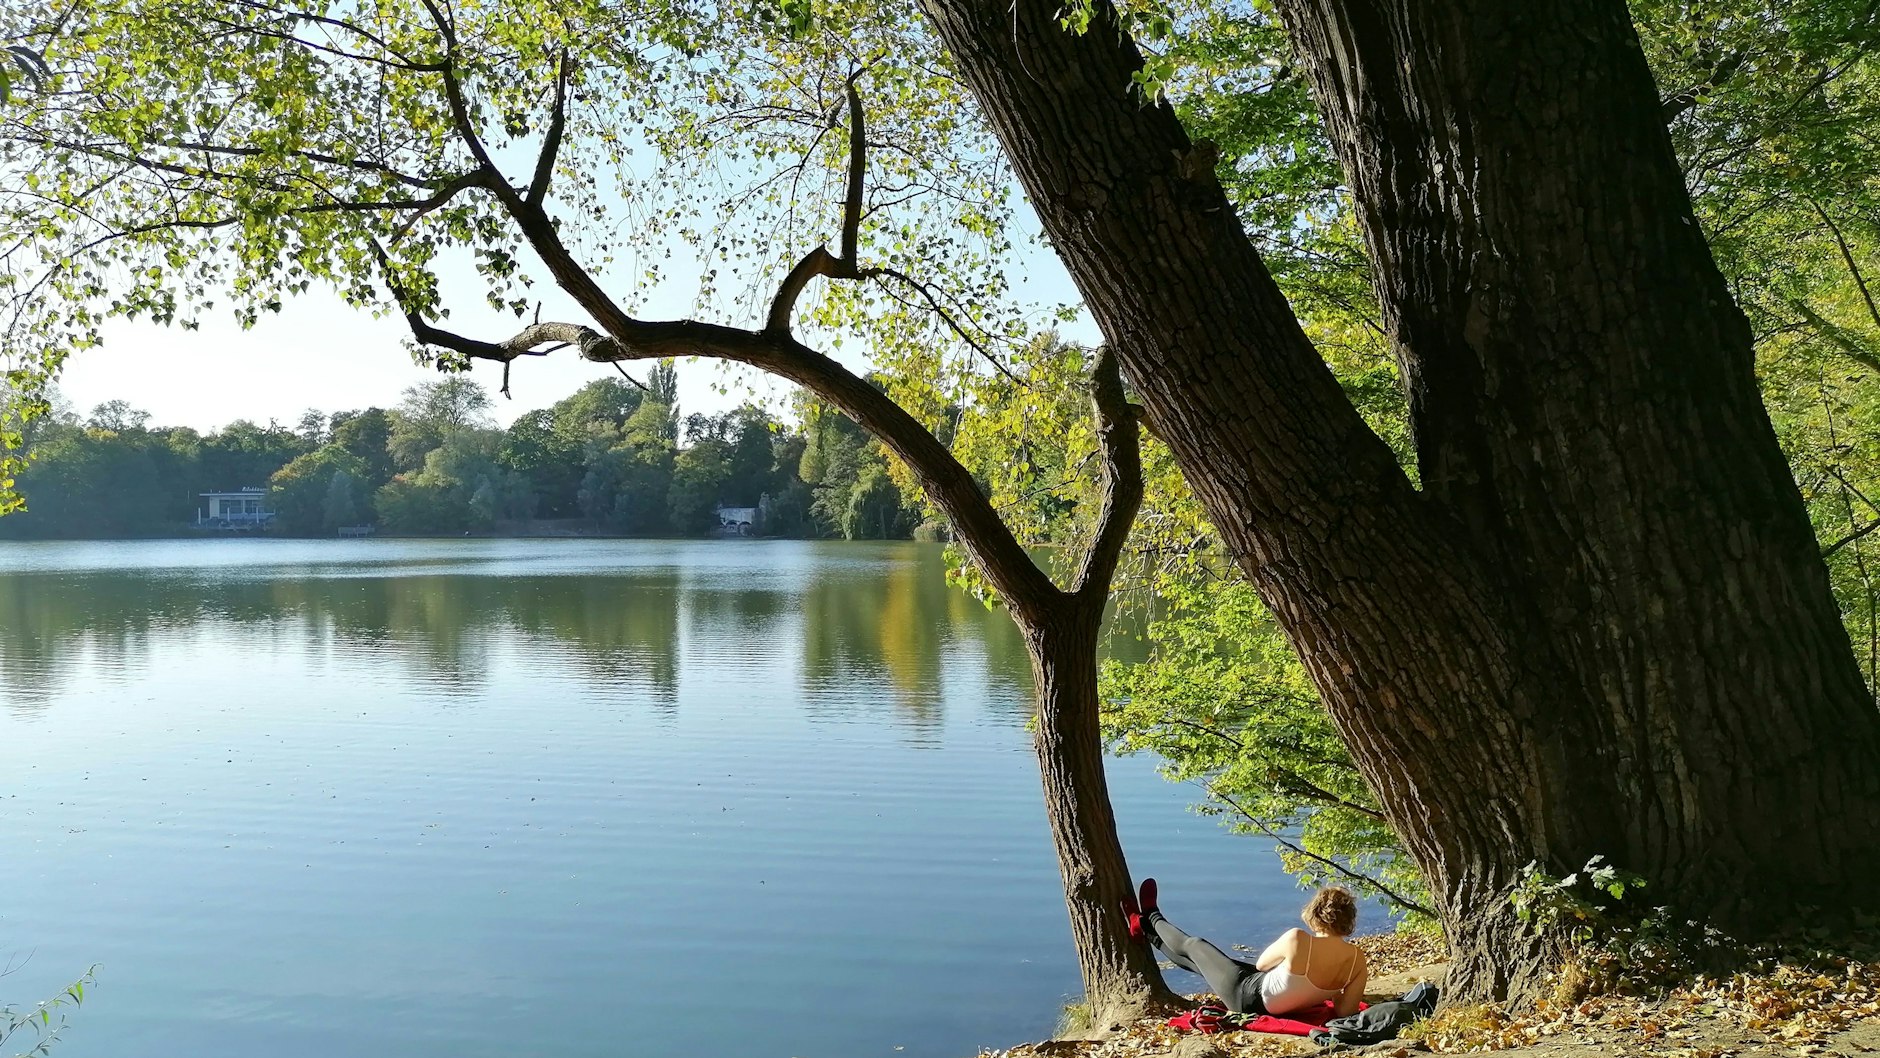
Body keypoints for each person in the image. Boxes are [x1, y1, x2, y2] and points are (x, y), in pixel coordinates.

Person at [1123, 878, 1368, 1017]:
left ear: (1315, 913)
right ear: (1349, 920)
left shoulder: (1298, 939)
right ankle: (1146, 934)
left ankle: (1150, 917)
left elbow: (1262, 965)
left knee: (1195, 946)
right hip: (1268, 1000)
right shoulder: (1357, 960)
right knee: (1199, 964)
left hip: (1247, 995)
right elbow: (1345, 1010)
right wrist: (1333, 987)